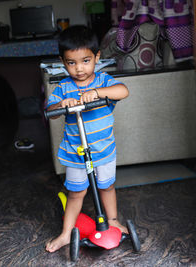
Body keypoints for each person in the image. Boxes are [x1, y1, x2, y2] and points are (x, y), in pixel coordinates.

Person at [45, 25, 129, 253]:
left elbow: (123, 91)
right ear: (63, 62)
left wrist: (100, 93)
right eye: (71, 63)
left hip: (103, 151)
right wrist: (61, 104)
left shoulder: (103, 81)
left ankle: (113, 221)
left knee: (107, 186)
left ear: (96, 57)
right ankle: (65, 234)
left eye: (85, 61)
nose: (79, 69)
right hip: (75, 153)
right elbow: (49, 110)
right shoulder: (63, 87)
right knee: (76, 193)